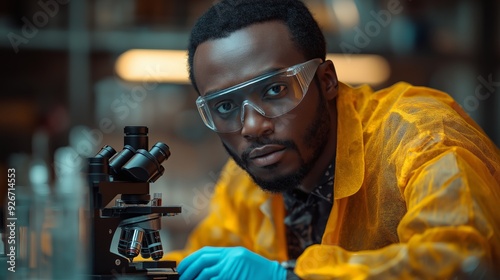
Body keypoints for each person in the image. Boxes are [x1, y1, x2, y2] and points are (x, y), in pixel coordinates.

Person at [164, 0, 500, 279]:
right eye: (225, 106)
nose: (252, 126)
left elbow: (464, 260)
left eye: (275, 89)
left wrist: (291, 276)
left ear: (326, 82)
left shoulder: (421, 137)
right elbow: (199, 263)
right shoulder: (246, 181)